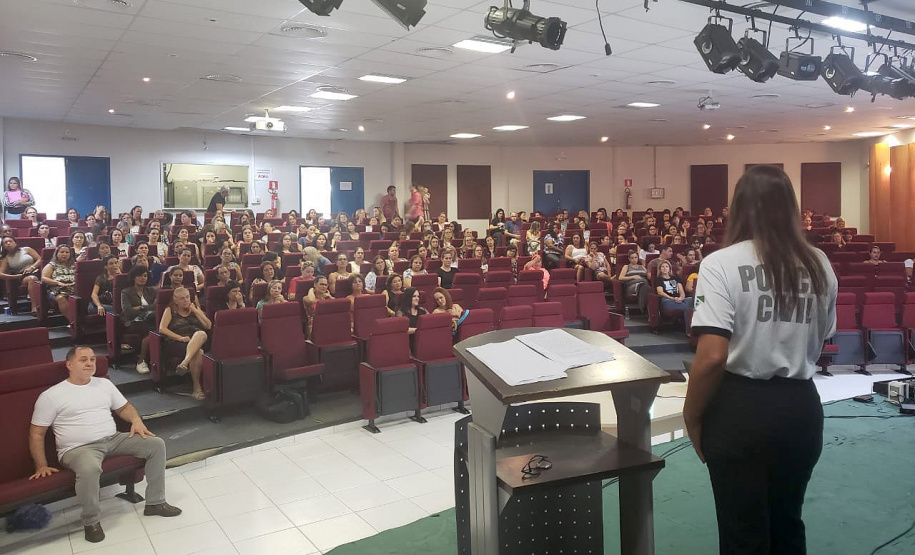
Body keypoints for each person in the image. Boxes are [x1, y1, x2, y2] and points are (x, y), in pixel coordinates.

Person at [684, 165, 837, 555]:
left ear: (739, 208)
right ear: (789, 207)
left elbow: (713, 357)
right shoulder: (820, 263)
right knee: (787, 522)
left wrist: (691, 415)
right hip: (801, 407)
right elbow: (822, 338)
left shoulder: (720, 263)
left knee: (743, 532)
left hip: (740, 410)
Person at [29, 346, 182, 543]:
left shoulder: (103, 384)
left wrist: (136, 420)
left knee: (156, 445)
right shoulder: (52, 396)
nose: (89, 363)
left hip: (113, 439)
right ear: (69, 364)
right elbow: (36, 433)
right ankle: (91, 521)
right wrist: (40, 465)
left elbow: (124, 407)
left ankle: (155, 502)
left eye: (92, 359)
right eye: (83, 359)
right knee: (90, 468)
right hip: (77, 449)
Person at [159, 287, 211, 400]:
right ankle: (197, 389)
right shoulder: (170, 309)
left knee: (201, 333)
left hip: (199, 339)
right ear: (175, 300)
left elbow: (208, 325)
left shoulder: (195, 308)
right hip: (178, 342)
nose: (186, 300)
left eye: (187, 297)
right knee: (198, 352)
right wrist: (180, 338)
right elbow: (162, 329)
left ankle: (185, 362)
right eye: (182, 298)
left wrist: (196, 311)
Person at [121, 266, 156, 374]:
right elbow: (128, 312)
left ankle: (151, 358)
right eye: (139, 276)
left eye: (145, 276)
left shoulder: (151, 291)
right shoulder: (126, 292)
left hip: (150, 320)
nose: (143, 278)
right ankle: (141, 361)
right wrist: (148, 308)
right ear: (134, 277)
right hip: (131, 322)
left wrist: (141, 307)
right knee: (152, 329)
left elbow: (156, 307)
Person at [0, 236, 42, 312]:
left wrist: (32, 267)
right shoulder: (6, 259)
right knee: (31, 279)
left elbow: (39, 259)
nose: (8, 243)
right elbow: (1, 274)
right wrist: (16, 276)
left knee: (33, 278)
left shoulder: (26, 249)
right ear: (3, 246)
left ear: (15, 243)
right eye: (5, 243)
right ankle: (34, 307)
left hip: (36, 271)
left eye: (10, 241)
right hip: (22, 276)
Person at [41, 245, 76, 322]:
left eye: (67, 252)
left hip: (74, 288)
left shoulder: (74, 265)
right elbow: (43, 278)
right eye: (62, 252)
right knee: (61, 298)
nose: (65, 254)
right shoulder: (51, 265)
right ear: (56, 253)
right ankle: (73, 322)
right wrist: (58, 283)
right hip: (56, 290)